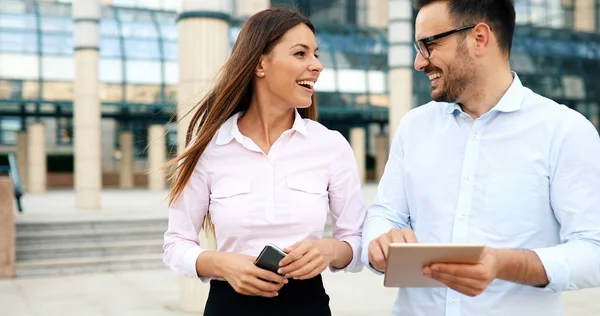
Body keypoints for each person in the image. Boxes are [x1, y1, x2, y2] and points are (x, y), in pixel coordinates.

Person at [361, 0, 600, 315]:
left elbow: (593, 251)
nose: (419, 63)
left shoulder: (565, 132)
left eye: (428, 45)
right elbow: (385, 215)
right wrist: (379, 242)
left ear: (479, 38)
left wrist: (502, 264)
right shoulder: (414, 127)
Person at [162, 8, 366, 316]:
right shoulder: (208, 148)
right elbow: (176, 244)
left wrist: (328, 250)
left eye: (316, 54)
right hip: (228, 306)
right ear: (260, 63)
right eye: (301, 53)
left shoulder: (330, 145)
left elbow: (357, 241)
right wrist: (222, 263)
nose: (317, 66)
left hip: (306, 306)